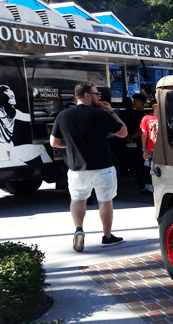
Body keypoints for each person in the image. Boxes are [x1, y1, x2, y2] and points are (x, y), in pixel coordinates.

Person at [49, 82, 128, 252]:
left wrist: (71, 145)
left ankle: (79, 229)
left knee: (78, 199)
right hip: (103, 166)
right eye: (96, 94)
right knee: (105, 201)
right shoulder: (101, 114)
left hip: (77, 168)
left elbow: (54, 142)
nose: (98, 97)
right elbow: (123, 132)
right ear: (87, 95)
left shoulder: (63, 116)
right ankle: (107, 237)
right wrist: (111, 112)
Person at [119, 94, 148, 191]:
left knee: (141, 165)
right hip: (136, 143)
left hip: (141, 144)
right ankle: (143, 185)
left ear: (141, 102)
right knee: (138, 165)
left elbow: (142, 130)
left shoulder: (143, 115)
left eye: (136, 101)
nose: (133, 103)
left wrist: (132, 136)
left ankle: (145, 185)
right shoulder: (135, 114)